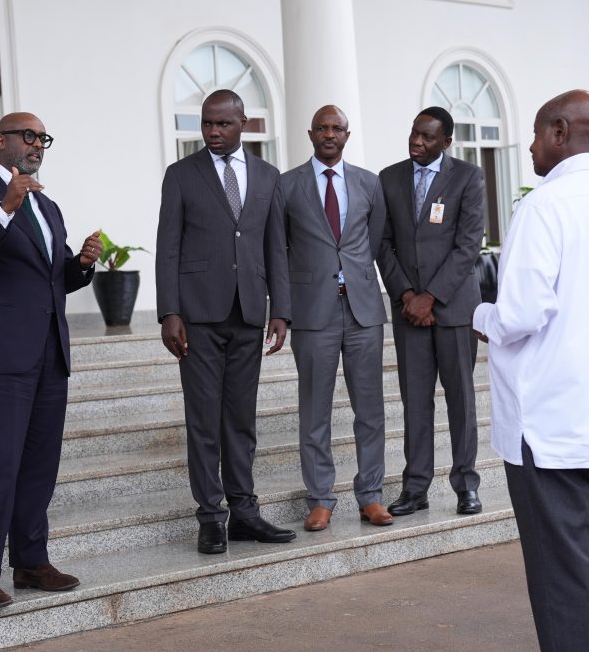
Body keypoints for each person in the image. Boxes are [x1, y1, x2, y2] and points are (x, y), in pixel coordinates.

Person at [473, 90, 589, 651]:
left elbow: (521, 314)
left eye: (532, 135)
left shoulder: (543, 207)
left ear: (557, 131)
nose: (527, 148)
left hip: (548, 423)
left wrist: (482, 315)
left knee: (563, 573)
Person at [0, 112, 102, 609]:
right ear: (2, 140)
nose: (37, 145)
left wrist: (80, 265)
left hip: (48, 351)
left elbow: (51, 276)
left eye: (43, 139)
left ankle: (32, 561)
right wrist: (5, 209)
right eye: (28, 136)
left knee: (40, 465)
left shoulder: (49, 205)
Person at [156, 89, 295, 555]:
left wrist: (280, 310)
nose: (214, 132)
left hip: (249, 313)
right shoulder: (180, 176)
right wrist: (169, 312)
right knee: (204, 421)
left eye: (223, 124)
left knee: (241, 418)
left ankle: (245, 511)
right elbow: (168, 247)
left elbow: (275, 247)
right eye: (207, 124)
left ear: (243, 123)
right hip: (196, 316)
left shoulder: (268, 177)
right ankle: (211, 516)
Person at [276, 105, 393, 530]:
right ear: (310, 134)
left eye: (337, 128)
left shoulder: (369, 183)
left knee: (371, 409)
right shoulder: (286, 186)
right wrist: (281, 311)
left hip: (363, 309)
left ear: (347, 134)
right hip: (312, 313)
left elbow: (374, 240)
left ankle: (372, 495)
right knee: (314, 411)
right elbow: (278, 251)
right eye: (322, 128)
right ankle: (321, 498)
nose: (329, 134)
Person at [376, 106, 484, 516]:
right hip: (409, 314)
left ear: (446, 141)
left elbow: (468, 245)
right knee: (415, 402)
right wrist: (406, 294)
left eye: (427, 137)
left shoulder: (468, 177)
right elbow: (382, 244)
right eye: (413, 134)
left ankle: (466, 486)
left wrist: (431, 297)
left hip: (453, 309)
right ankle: (415, 488)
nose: (417, 143)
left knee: (461, 401)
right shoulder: (389, 178)